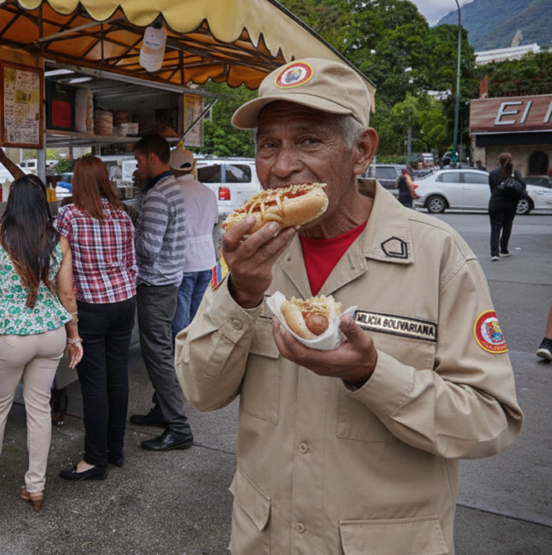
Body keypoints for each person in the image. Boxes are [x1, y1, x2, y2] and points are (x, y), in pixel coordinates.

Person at [175, 58, 522, 553]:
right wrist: (242, 294)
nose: (282, 166)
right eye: (268, 144)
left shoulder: (439, 255)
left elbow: (490, 422)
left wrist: (372, 374)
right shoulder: (247, 253)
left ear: (362, 151)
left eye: (308, 141)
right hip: (263, 539)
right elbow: (200, 392)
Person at [0, 174, 82, 512]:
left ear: (13, 202)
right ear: (42, 204)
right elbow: (67, 295)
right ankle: (35, 487)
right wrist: (74, 337)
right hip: (51, 334)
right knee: (39, 408)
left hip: (11, 335)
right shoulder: (58, 240)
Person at [54, 155, 136, 481]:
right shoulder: (123, 215)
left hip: (89, 307)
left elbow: (57, 263)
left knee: (94, 385)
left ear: (77, 181)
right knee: (117, 378)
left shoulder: (69, 215)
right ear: (105, 180)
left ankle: (94, 460)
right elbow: (132, 262)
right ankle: (115, 450)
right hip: (124, 302)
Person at [128, 134, 193, 452]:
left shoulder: (156, 196)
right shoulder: (172, 188)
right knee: (162, 351)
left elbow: (148, 249)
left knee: (158, 357)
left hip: (155, 285)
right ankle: (161, 410)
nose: (137, 168)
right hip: (169, 281)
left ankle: (179, 427)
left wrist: (128, 232)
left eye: (138, 161)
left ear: (152, 158)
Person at [168, 148, 218, 339]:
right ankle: (196, 352)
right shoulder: (208, 192)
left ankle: (179, 354)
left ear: (171, 167)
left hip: (184, 262)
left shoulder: (172, 192)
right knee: (199, 317)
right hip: (207, 260)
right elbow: (214, 222)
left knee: (180, 321)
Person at [488, 152, 524, 261]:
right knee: (507, 226)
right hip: (510, 203)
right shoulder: (515, 173)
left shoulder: (493, 173)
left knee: (495, 227)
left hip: (496, 202)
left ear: (499, 161)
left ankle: (494, 253)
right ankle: (504, 250)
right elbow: (522, 186)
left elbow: (492, 188)